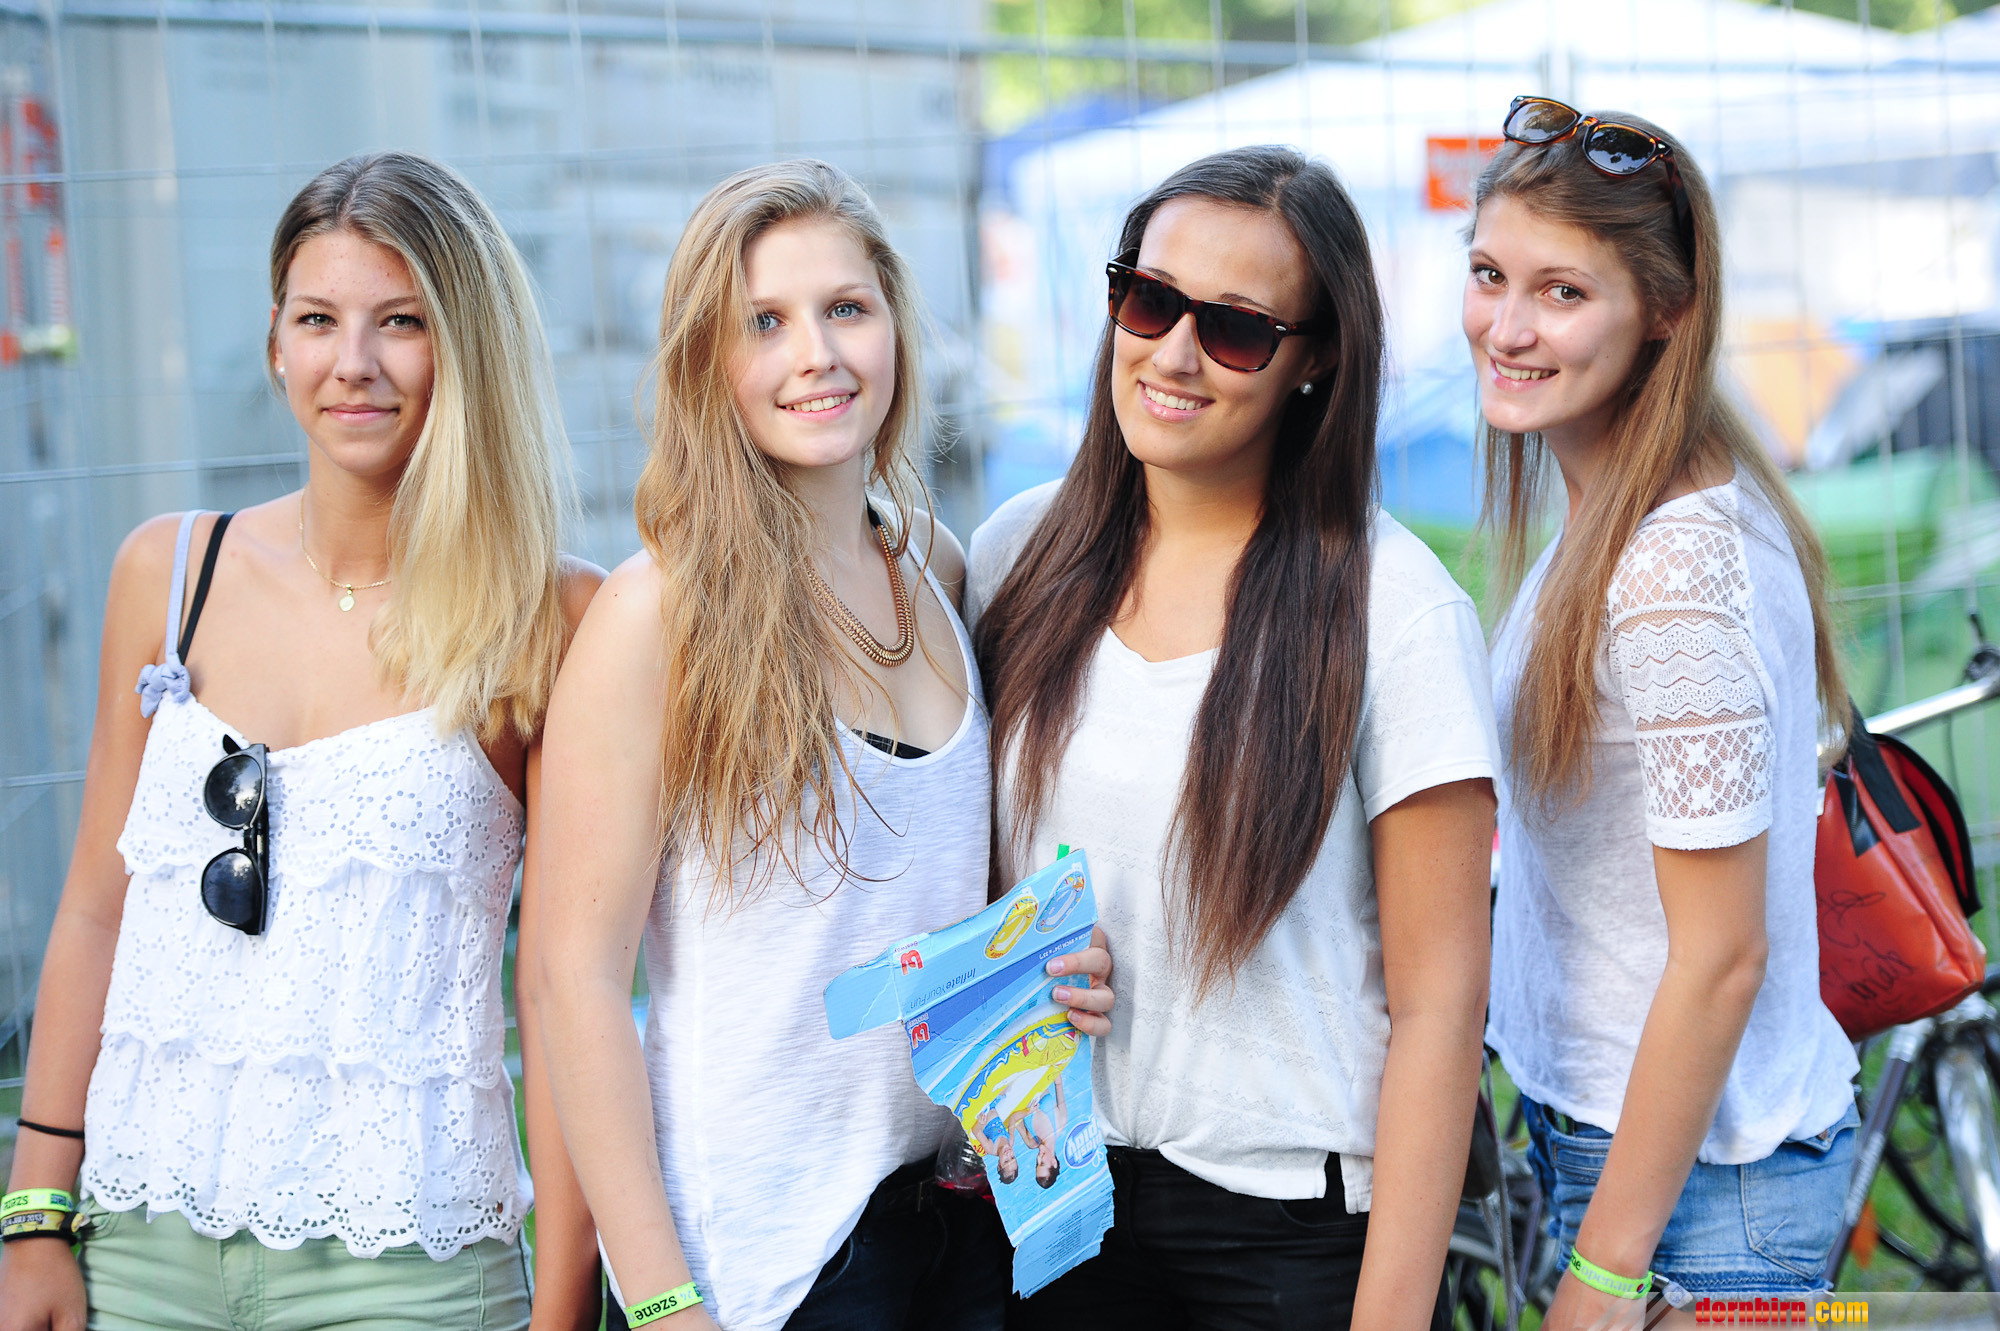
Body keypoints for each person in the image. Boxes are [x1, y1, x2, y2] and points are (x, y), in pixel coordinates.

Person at [0, 152, 603, 1331]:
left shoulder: (552, 617)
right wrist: (33, 1214)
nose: (352, 362)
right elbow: (95, 910)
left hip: (410, 1266)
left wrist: (564, 1300)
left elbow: (561, 986)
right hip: (142, 1244)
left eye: (401, 322)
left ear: (467, 344)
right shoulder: (167, 572)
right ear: (276, 341)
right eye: (317, 319)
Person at [530, 158, 1114, 1331]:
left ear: (893, 322)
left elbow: (925, 900)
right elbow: (570, 978)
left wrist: (1049, 964)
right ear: (706, 359)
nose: (817, 354)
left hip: (962, 1209)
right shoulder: (659, 613)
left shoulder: (934, 569)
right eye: (765, 321)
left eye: (845, 307)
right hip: (769, 1260)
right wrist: (663, 1298)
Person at [969, 144, 1498, 1331]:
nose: (1172, 352)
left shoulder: (1395, 612)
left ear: (1315, 360)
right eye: (1148, 299)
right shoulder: (1014, 557)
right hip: (1052, 1191)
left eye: (1234, 329)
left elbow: (1438, 1010)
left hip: (1292, 1230)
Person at [1470, 99, 1860, 1322]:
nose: (1506, 327)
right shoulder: (1627, 503)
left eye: (1561, 292)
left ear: (1665, 312)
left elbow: (1721, 955)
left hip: (1696, 1200)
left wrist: (1601, 1272)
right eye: (1487, 275)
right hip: (1636, 1154)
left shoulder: (1671, 574)